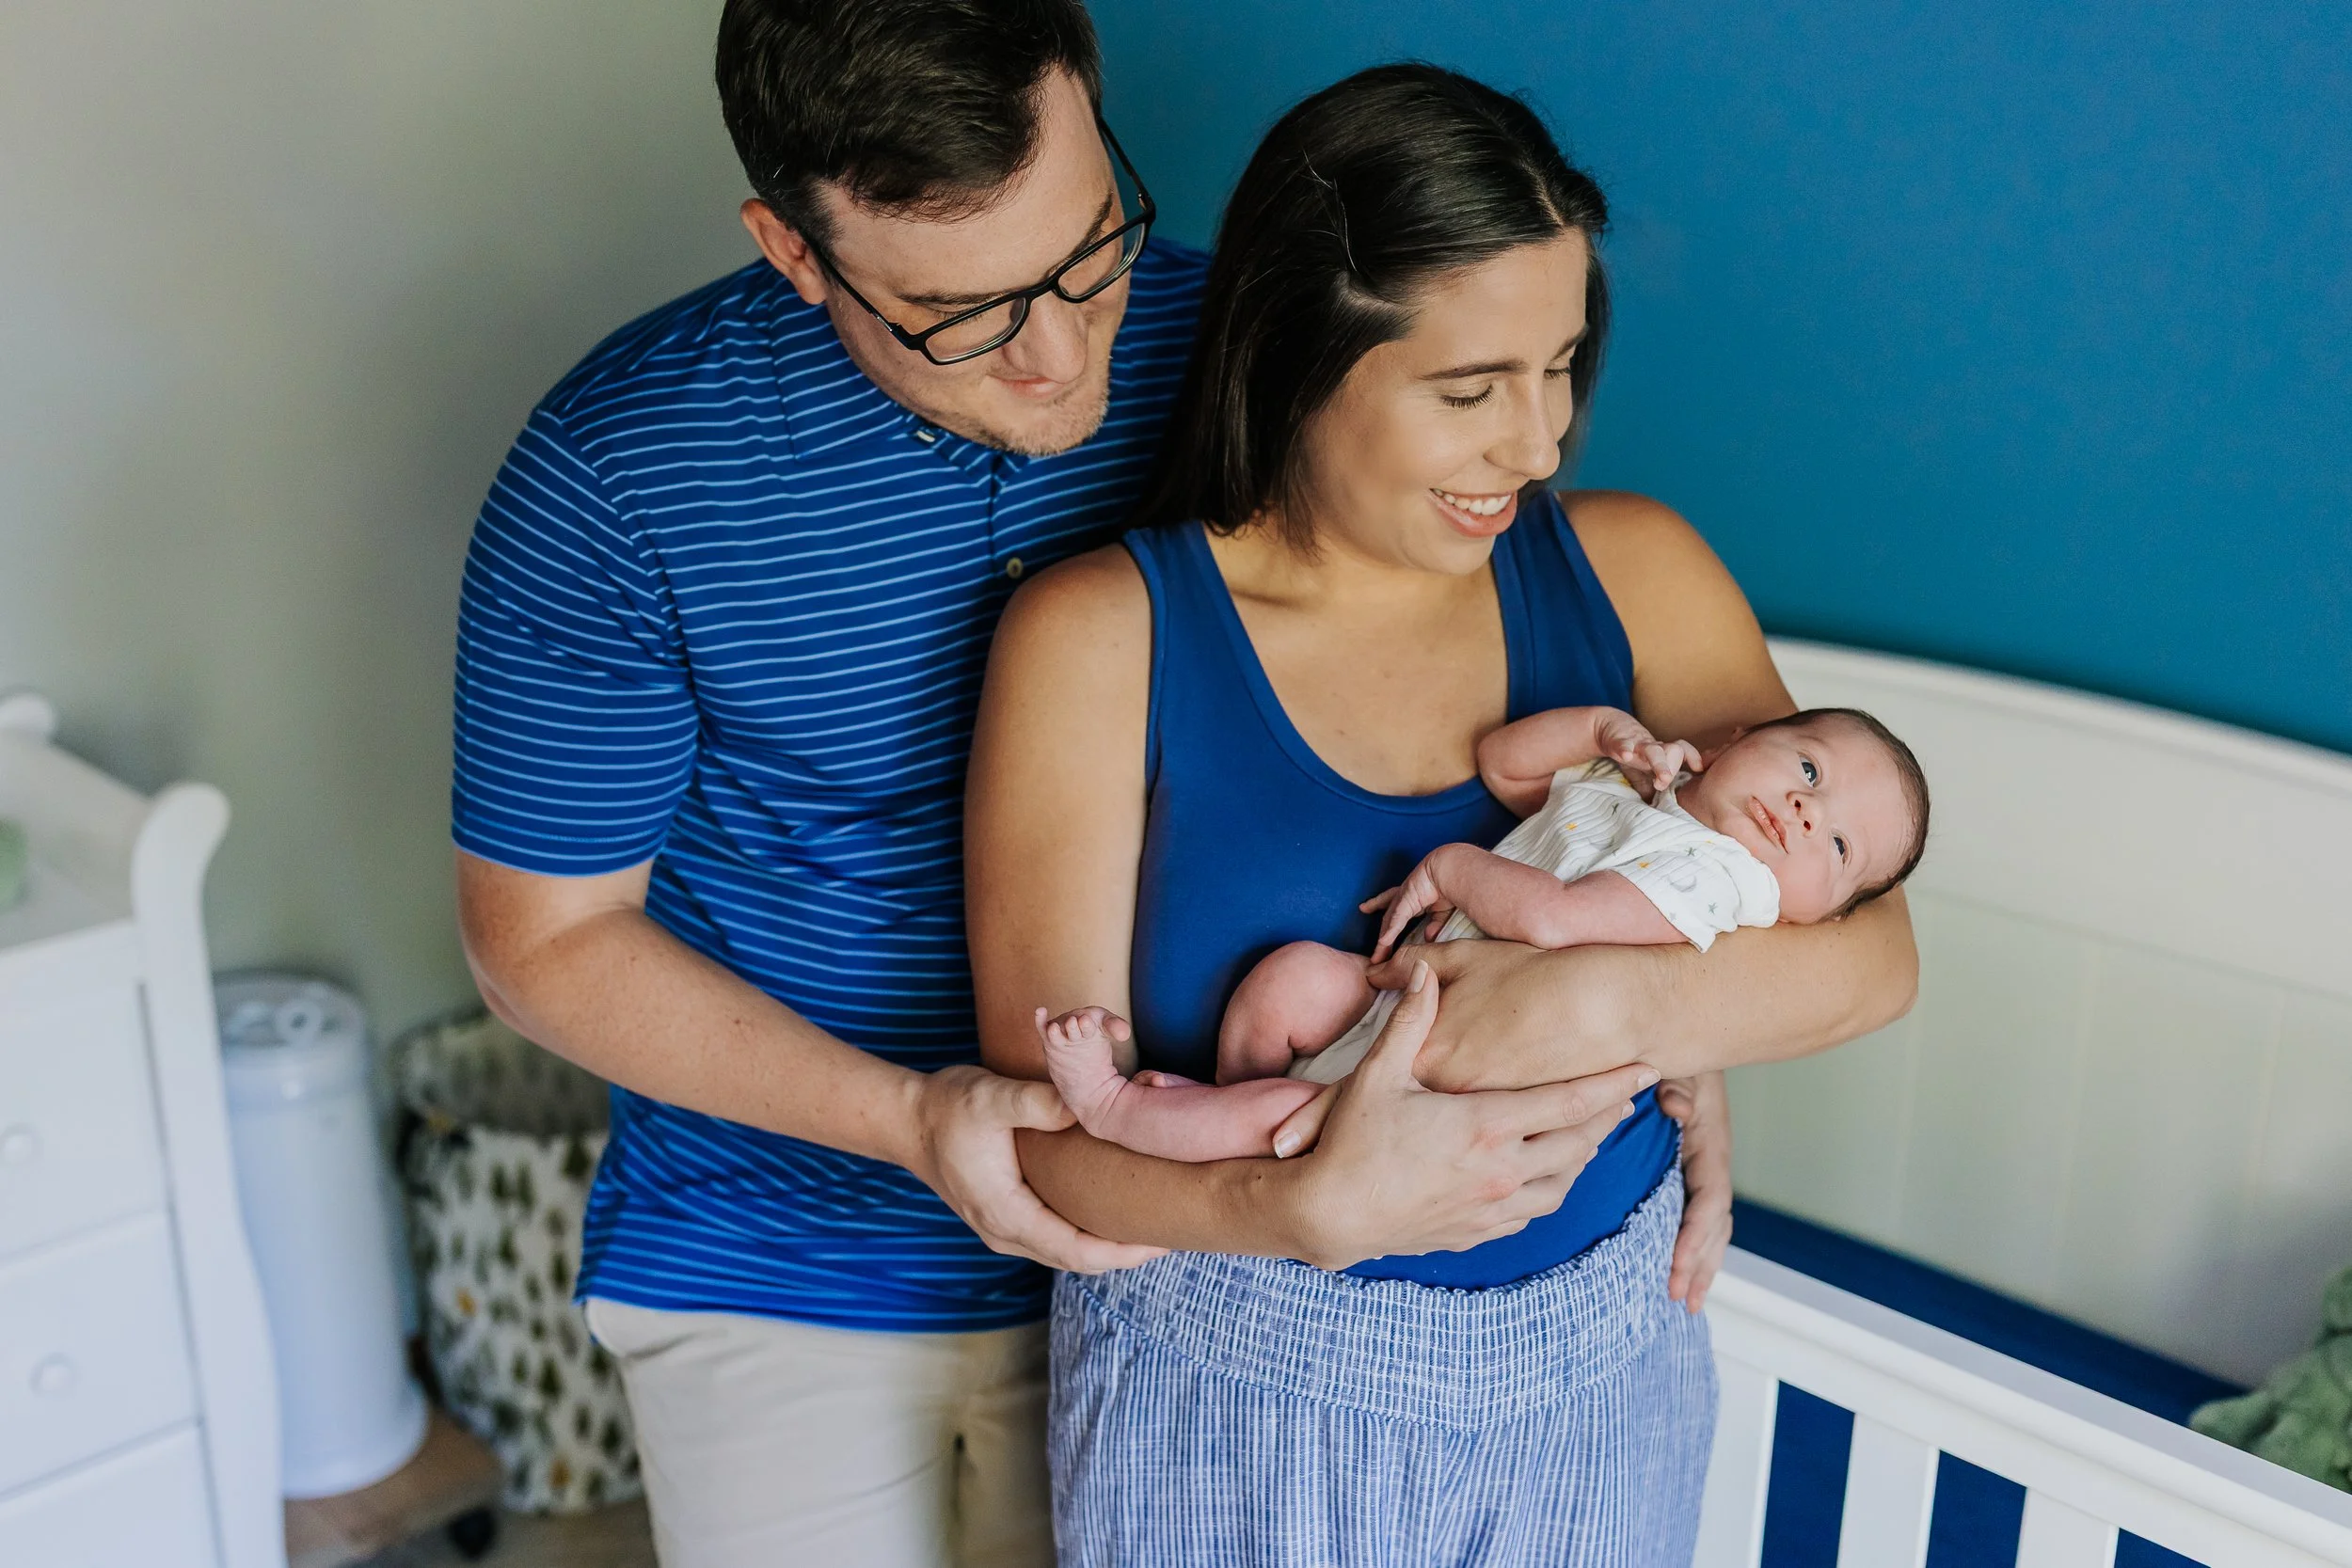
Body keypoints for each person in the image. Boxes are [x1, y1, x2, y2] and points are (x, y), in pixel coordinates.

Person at [448, 6, 1738, 1566]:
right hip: (789, 1250)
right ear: (796, 251)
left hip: (1197, 1257)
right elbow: (544, 938)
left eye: (1089, 249)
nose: (1065, 354)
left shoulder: (1252, 353)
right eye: (962, 315)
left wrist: (1655, 1016)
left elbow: (1436, 670)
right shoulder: (616, 476)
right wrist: (917, 1117)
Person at [964, 64, 1920, 1563]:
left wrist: (1600, 1002)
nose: (1537, 445)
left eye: (1561, 367)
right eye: (1471, 390)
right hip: (1237, 1371)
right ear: (1298, 356)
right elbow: (1041, 1144)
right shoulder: (1104, 637)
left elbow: (1872, 959)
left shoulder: (1634, 566)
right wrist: (1302, 1207)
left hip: (1602, 1360)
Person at [1034, 705, 1930, 1162]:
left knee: (1289, 1118)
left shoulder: (1721, 881)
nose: (1808, 812)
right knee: (1292, 982)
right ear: (1736, 739)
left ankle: (1120, 1112)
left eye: (1841, 845)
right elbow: (1504, 761)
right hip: (1408, 993)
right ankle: (1210, 1110)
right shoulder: (1637, 794)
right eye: (1809, 766)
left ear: (1816, 915)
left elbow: (1554, 920)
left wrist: (1454, 868)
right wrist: (1605, 731)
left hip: (1440, 1067)